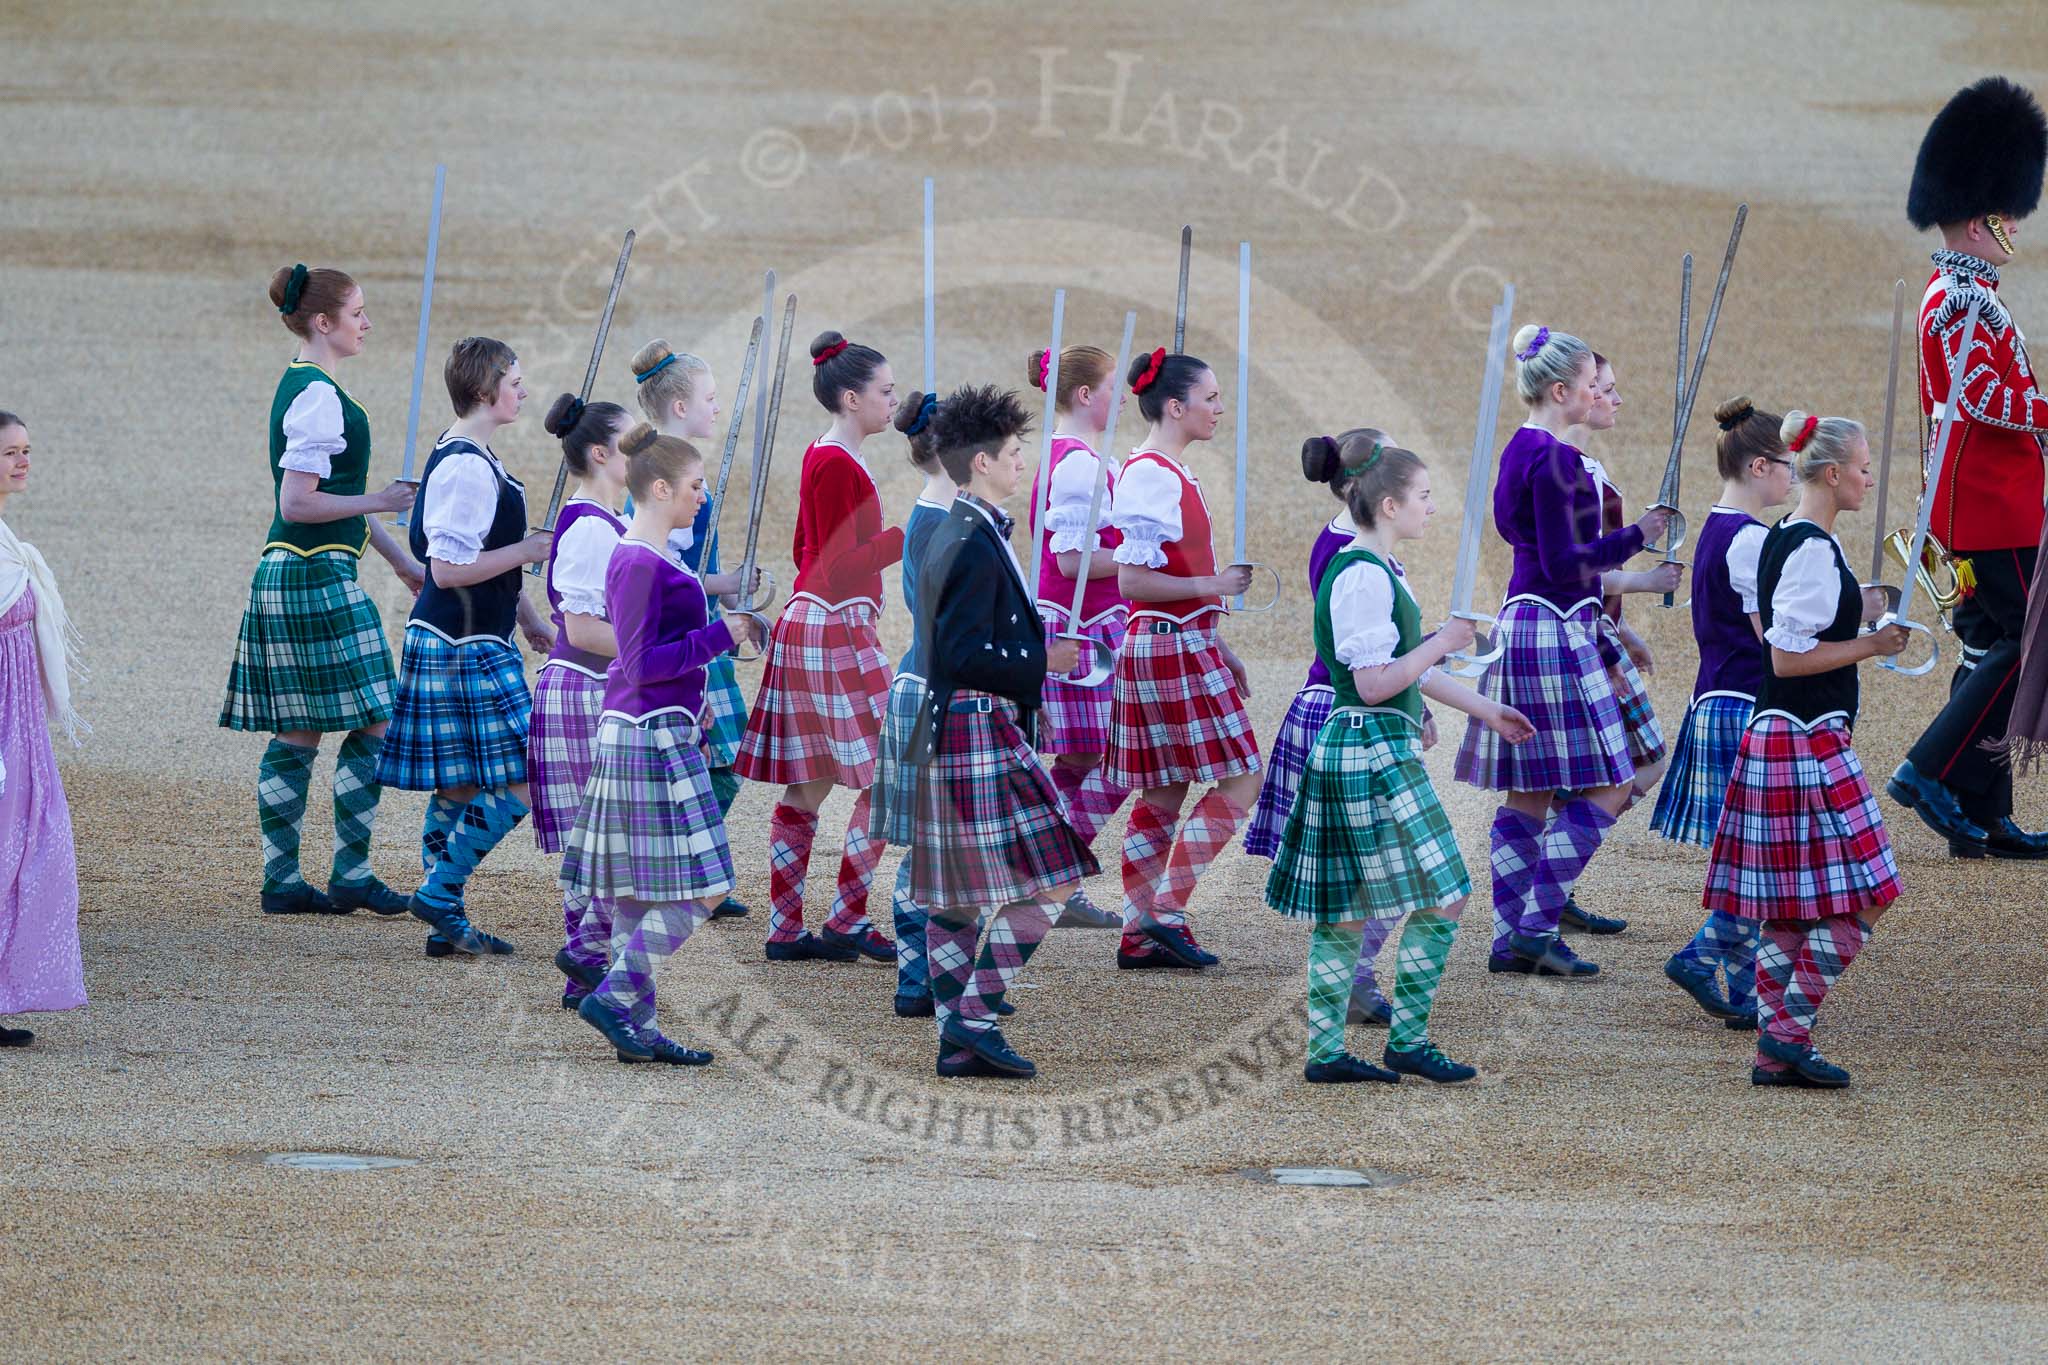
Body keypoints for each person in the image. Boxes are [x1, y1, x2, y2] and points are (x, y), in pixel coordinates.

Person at [1267, 434, 1532, 1085]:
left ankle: (1334, 1050)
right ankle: (1395, 1041)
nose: (1431, 508)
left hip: (1369, 744)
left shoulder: (1371, 567)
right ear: (1388, 504)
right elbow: (1375, 681)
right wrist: (1443, 639)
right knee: (1442, 894)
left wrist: (1484, 708)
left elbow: (1399, 673)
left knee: (1359, 908)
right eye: (1423, 495)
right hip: (1369, 744)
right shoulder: (1361, 573)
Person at [1455, 324, 1669, 979]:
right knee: (1611, 780)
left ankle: (1509, 935)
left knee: (1529, 790)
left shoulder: (1518, 449)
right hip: (1554, 624)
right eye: (1588, 385)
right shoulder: (1558, 459)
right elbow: (1565, 561)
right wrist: (1638, 535)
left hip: (1525, 621)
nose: (1597, 394)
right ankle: (1535, 926)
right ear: (1560, 390)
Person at [1703, 412, 1907, 1088]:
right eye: (1862, 464)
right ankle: (1787, 1033)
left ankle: (1772, 1052)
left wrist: (1867, 616)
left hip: (1784, 737)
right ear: (1831, 473)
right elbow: (1788, 658)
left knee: (1790, 907)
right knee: (1874, 888)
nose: (1868, 475)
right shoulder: (1813, 548)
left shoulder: (1790, 536)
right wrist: (1871, 646)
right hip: (1805, 737)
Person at [220, 265, 424, 917]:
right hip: (313, 573)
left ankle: (284, 881)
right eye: (358, 312)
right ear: (323, 322)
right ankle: (352, 871)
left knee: (300, 730)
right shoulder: (319, 397)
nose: (367, 324)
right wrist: (385, 499)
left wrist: (399, 562)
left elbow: (329, 500)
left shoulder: (305, 384)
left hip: (289, 570)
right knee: (378, 719)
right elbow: (300, 501)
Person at [908, 384, 1098, 1078]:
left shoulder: (966, 527)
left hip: (958, 726)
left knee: (956, 893)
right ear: (982, 461)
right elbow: (958, 653)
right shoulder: (966, 540)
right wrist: (1040, 661)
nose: (1024, 464)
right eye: (1016, 453)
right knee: (1052, 881)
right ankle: (973, 1017)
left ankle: (957, 1041)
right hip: (974, 725)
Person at [558, 426, 760, 1065]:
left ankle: (637, 1026)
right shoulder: (640, 560)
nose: (703, 497)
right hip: (650, 732)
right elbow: (642, 663)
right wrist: (720, 634)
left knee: (636, 893)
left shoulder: (644, 556)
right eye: (696, 487)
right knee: (707, 886)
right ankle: (618, 997)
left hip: (647, 728)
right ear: (663, 488)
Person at [1889, 75, 2048, 858]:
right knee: (2028, 645)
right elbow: (1979, 397)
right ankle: (1930, 770)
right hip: (1993, 504)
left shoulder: (1969, 291)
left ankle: (1982, 811)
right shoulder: (1956, 299)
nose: (2015, 222)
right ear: (1980, 215)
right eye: (2006, 212)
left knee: (1991, 651)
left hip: (1984, 500)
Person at [376, 337, 554, 956]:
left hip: (467, 636)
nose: (523, 390)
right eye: (515, 380)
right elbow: (448, 568)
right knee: (533, 772)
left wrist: (527, 614)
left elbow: (480, 563)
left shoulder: (470, 455)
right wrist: (530, 552)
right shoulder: (465, 466)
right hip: (461, 642)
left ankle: (440, 912)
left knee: (456, 784)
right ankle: (441, 892)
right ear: (485, 390)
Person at [736, 331, 905, 963]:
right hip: (833, 621)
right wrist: (901, 538)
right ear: (851, 397)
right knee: (889, 773)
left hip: (814, 619)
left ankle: (789, 928)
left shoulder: (824, 453)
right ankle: (845, 918)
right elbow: (834, 565)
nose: (893, 402)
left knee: (814, 780)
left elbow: (806, 552)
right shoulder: (838, 461)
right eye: (884, 393)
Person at [1102, 349, 1259, 970]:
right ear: (1176, 406)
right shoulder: (1151, 475)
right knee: (1243, 777)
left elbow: (1168, 573)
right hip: (1167, 642)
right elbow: (1133, 584)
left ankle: (1141, 933)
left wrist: (1219, 639)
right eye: (1211, 398)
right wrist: (1215, 589)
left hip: (1181, 641)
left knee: (1164, 790)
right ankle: (1161, 914)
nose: (1220, 409)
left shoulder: (1168, 471)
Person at [1245, 431, 1404, 1026]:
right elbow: (1360, 655)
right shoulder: (1352, 555)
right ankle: (1347, 977)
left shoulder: (1356, 541)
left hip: (1345, 705)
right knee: (1388, 860)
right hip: (1341, 710)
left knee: (1378, 860)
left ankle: (1345, 976)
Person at [1653, 398, 1793, 1027]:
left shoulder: (1718, 527)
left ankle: (1742, 990)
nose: (1794, 476)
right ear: (1760, 466)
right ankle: (1704, 952)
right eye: (1788, 466)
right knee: (1759, 856)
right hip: (1740, 704)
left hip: (1716, 699)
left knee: (1750, 855)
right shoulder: (1752, 540)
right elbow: (1774, 640)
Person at [1547, 351, 1680, 937]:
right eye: (1605, 387)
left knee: (1629, 764)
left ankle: (1555, 879)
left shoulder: (1581, 466)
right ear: (1577, 394)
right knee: (1630, 765)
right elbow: (1568, 568)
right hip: (1572, 630)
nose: (1616, 398)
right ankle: (1549, 883)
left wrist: (1622, 626)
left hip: (1595, 628)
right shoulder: (1564, 469)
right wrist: (1646, 575)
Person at [629, 340, 760, 916]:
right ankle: (675, 872)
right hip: (687, 632)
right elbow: (665, 575)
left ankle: (685, 869)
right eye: (709, 398)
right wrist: (726, 583)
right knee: (718, 759)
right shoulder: (664, 469)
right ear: (679, 406)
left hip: (701, 626)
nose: (717, 408)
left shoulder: (672, 459)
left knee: (720, 759)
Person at [525, 394, 631, 1004]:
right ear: (600, 453)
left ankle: (591, 965)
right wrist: (653, 656)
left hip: (598, 686)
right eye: (632, 442)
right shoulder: (590, 526)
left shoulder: (605, 520)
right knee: (599, 836)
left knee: (604, 835)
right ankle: (589, 964)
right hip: (584, 688)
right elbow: (585, 629)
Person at [1023, 343, 1127, 930]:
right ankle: (1051, 875)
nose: (1123, 399)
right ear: (1086, 395)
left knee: (1087, 755)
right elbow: (1069, 560)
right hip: (1081, 625)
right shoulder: (1079, 463)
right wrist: (1147, 557)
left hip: (1083, 621)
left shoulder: (1079, 455)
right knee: (1114, 755)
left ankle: (1051, 880)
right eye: (1113, 387)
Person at [867, 390, 958, 1016]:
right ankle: (916, 974)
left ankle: (928, 975)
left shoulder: (943, 511)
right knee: (934, 845)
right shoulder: (940, 523)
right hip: (934, 694)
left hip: (932, 686)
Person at [0, 412, 87, 1046]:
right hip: (5, 722)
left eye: (27, 450)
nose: (23, 462)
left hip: (22, 724)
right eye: (10, 453)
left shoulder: (6, 538)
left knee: (34, 851)